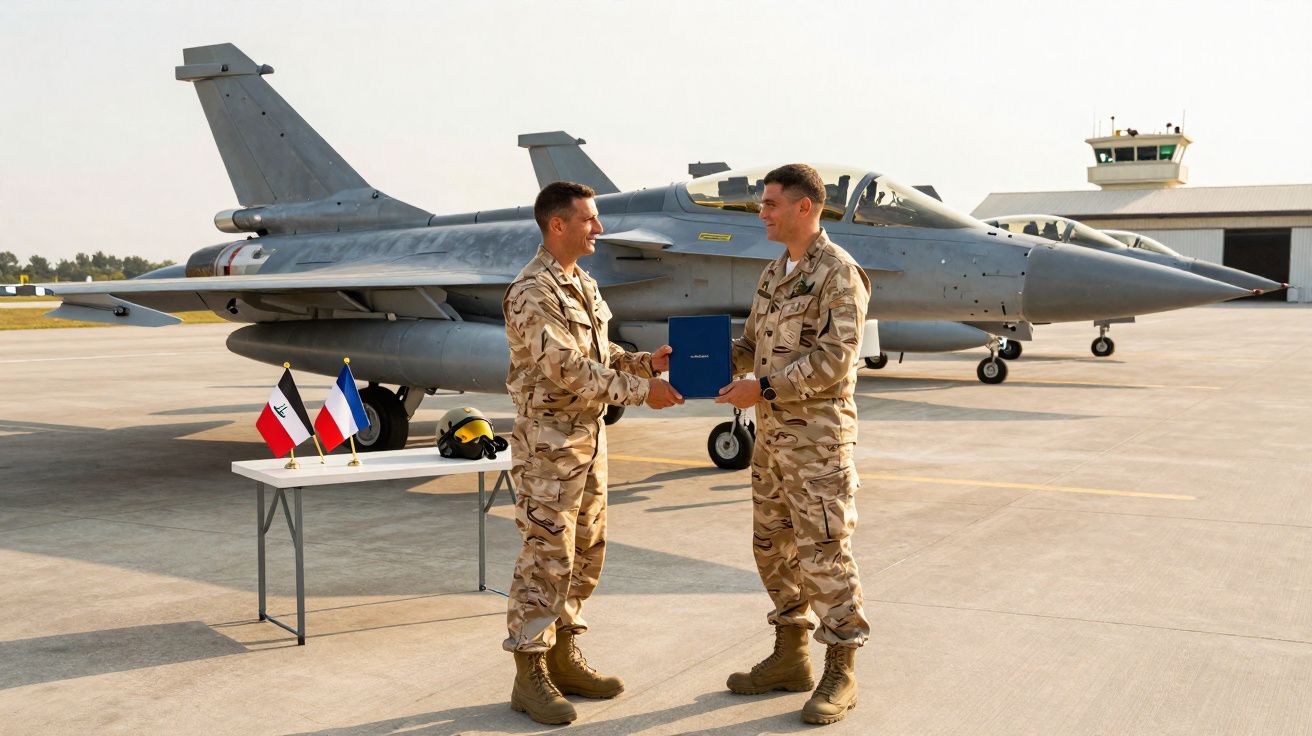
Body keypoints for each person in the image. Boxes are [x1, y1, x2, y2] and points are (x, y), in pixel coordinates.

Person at [501, 180, 684, 725]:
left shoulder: (583, 283)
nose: (599, 228)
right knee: (545, 556)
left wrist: (645, 363)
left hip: (588, 439)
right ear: (558, 224)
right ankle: (529, 672)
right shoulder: (532, 291)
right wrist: (641, 391)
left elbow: (599, 354)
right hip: (548, 446)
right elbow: (567, 368)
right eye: (588, 219)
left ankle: (564, 655)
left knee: (584, 552)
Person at [716, 163, 871, 725]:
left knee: (824, 552)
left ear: (804, 207)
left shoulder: (838, 273)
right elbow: (752, 345)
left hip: (817, 444)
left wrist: (763, 387)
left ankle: (841, 668)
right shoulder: (773, 273)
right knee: (772, 548)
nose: (762, 212)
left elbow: (836, 360)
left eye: (771, 204)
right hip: (771, 443)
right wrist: (701, 357)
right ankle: (790, 656)